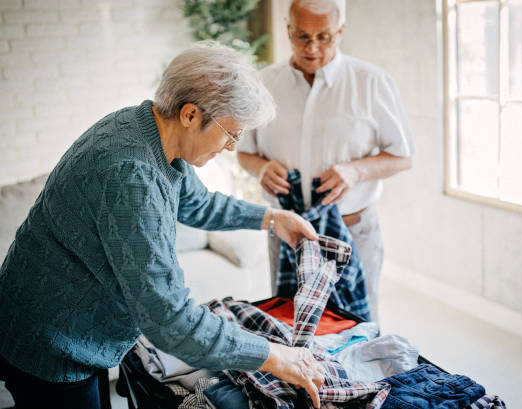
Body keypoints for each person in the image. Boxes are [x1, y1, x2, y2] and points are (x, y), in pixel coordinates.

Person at [0, 41, 326, 409]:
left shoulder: (147, 128)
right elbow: (170, 320)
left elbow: (198, 204)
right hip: (51, 343)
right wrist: (274, 356)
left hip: (70, 331)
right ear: (190, 114)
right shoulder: (131, 176)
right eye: (230, 133)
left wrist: (270, 218)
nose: (232, 146)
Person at [237, 0, 414, 324]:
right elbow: (244, 152)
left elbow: (403, 156)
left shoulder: (372, 81)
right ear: (288, 29)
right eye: (301, 36)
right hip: (287, 234)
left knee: (358, 329)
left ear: (341, 31)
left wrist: (356, 170)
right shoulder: (263, 84)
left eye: (324, 37)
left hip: (354, 232)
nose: (312, 47)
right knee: (289, 325)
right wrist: (260, 168)